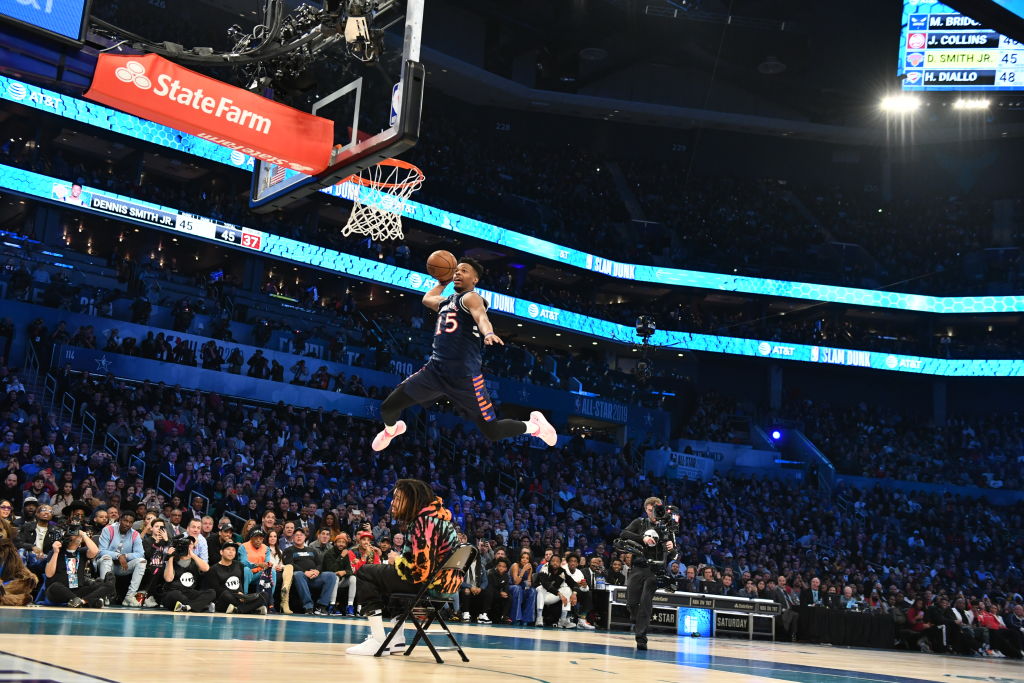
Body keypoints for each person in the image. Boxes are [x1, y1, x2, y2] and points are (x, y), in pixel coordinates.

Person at [371, 258, 557, 451]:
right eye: (456, 271)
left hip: (465, 378)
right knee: (388, 407)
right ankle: (391, 431)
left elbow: (481, 316)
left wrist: (489, 333)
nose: (458, 273)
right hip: (435, 371)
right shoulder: (446, 302)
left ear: (475, 279)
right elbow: (427, 299)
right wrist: (442, 282)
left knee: (492, 432)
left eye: (464, 271)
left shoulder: (470, 298)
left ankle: (535, 426)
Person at [346, 479, 460, 656]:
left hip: (430, 586)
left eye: (398, 497)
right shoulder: (437, 519)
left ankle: (378, 640)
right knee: (390, 580)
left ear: (413, 500)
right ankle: (396, 640)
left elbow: (420, 571)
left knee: (365, 572)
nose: (393, 502)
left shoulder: (424, 522)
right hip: (442, 586)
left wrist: (397, 560)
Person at [617, 496, 673, 650]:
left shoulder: (666, 527)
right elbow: (624, 534)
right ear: (646, 509)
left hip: (655, 569)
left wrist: (670, 545)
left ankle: (641, 638)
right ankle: (636, 619)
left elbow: (673, 551)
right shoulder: (639, 523)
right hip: (638, 566)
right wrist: (643, 538)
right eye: (650, 510)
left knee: (646, 601)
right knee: (632, 602)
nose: (653, 513)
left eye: (656, 510)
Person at [43, 528, 113, 608]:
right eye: (74, 533)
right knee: (54, 587)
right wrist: (55, 552)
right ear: (68, 538)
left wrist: (84, 535)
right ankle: (88, 600)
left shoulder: (81, 552)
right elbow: (49, 574)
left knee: (104, 584)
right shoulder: (57, 551)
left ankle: (81, 601)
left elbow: (95, 551)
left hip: (78, 590)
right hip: (60, 591)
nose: (77, 535)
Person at [96, 510, 147, 607]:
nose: (127, 524)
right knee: (106, 558)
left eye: (130, 522)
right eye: (125, 521)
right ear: (120, 520)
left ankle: (129, 596)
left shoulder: (135, 534)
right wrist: (118, 555)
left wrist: (126, 556)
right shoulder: (108, 530)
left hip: (122, 567)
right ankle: (104, 594)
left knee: (142, 562)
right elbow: (101, 551)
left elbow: (141, 554)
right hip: (107, 565)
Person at [204, 540, 268, 615]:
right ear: (221, 552)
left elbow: (242, 583)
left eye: (233, 550)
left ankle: (238, 609)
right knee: (226, 594)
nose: (231, 552)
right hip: (224, 600)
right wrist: (237, 595)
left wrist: (242, 596)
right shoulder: (214, 569)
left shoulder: (239, 565)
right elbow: (217, 590)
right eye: (228, 549)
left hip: (241, 598)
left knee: (264, 595)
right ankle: (252, 609)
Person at [283, 528, 337, 615]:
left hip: (314, 577)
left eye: (301, 535)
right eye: (297, 535)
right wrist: (305, 572)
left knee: (331, 575)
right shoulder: (289, 550)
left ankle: (321, 606)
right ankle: (308, 607)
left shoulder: (312, 550)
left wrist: (317, 571)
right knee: (298, 574)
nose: (299, 537)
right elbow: (289, 564)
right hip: (300, 578)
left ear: (305, 537)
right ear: (293, 537)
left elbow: (319, 564)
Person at [161, 536, 214, 612]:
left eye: (190, 544)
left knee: (211, 592)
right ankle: (200, 606)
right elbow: (168, 579)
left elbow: (206, 568)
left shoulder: (195, 560)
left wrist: (193, 555)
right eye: (185, 544)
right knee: (175, 594)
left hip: (189, 592)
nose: (188, 546)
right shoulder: (173, 559)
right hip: (173, 591)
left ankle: (187, 607)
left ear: (194, 547)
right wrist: (170, 557)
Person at [508, 549, 536, 626]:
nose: (525, 560)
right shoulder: (515, 565)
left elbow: (528, 584)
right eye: (523, 557)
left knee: (532, 591)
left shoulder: (529, 568)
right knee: (518, 588)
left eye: (527, 558)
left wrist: (529, 573)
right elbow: (515, 582)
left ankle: (526, 620)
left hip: (521, 588)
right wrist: (523, 570)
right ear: (520, 559)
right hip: (511, 587)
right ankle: (516, 618)